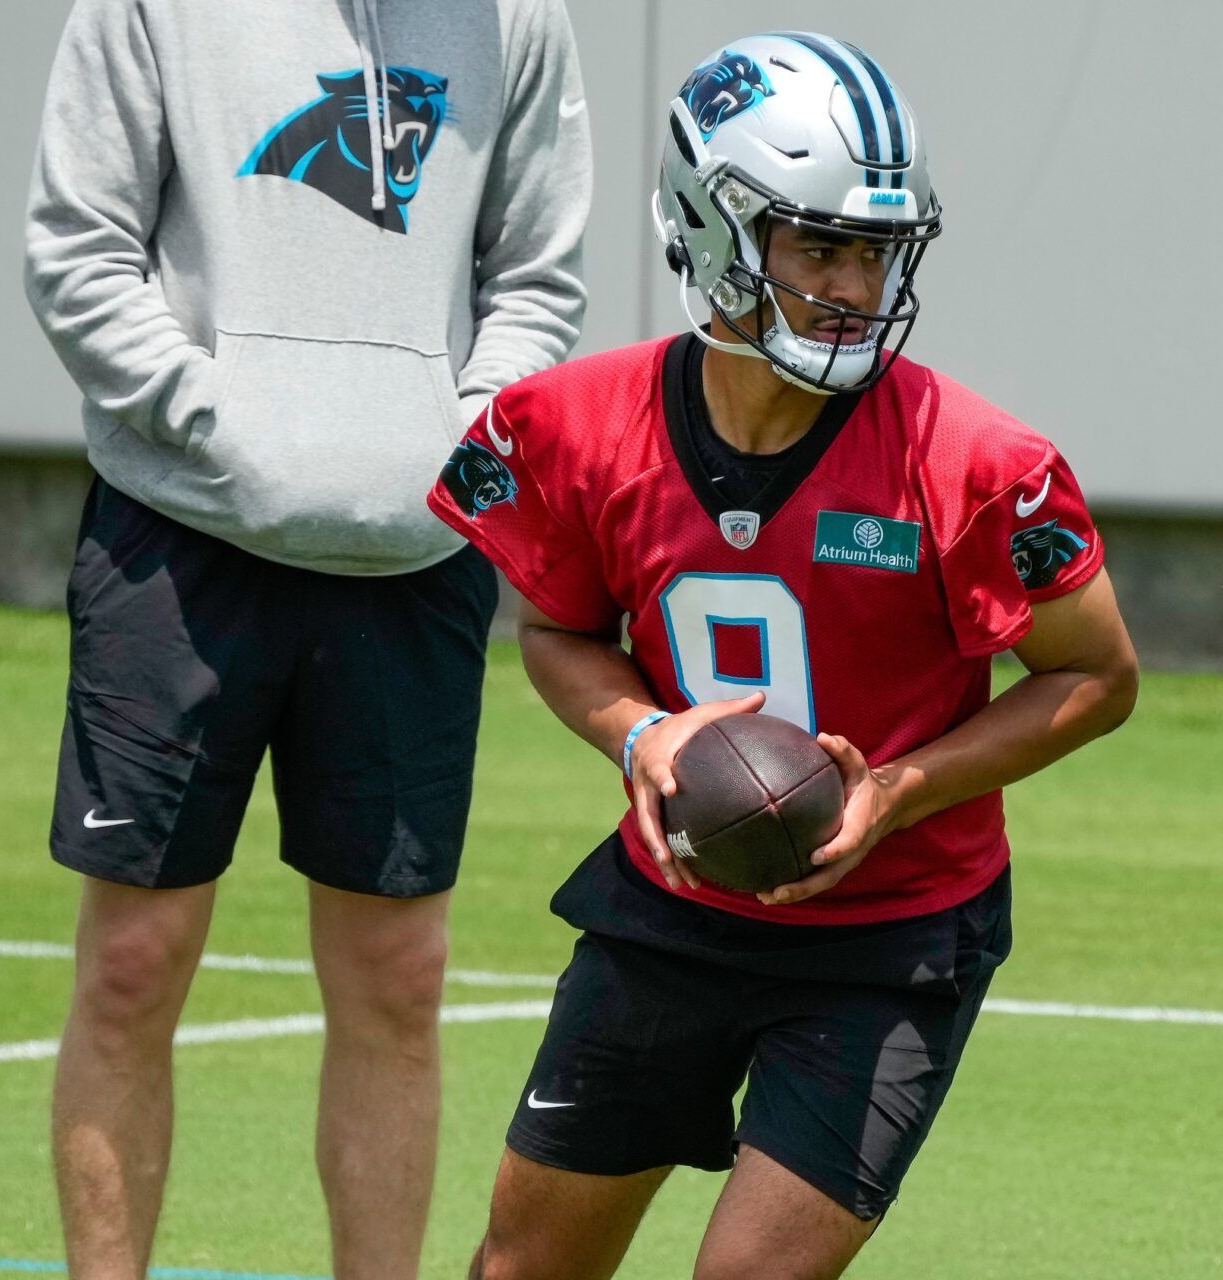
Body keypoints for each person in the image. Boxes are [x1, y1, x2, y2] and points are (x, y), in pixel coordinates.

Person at [426, 31, 1141, 1280]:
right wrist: (645, 733)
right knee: (522, 1267)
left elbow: (1098, 678)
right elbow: (557, 632)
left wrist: (898, 790)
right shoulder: (575, 424)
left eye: (876, 251)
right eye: (819, 245)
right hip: (671, 904)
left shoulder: (976, 462)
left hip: (894, 931)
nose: (856, 287)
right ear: (712, 226)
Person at [22, 0, 590, 1275]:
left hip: (414, 559)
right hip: (177, 539)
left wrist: (451, 443)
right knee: (131, 960)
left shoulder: (519, 19)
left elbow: (539, 281)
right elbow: (78, 251)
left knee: (397, 974)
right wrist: (224, 422)